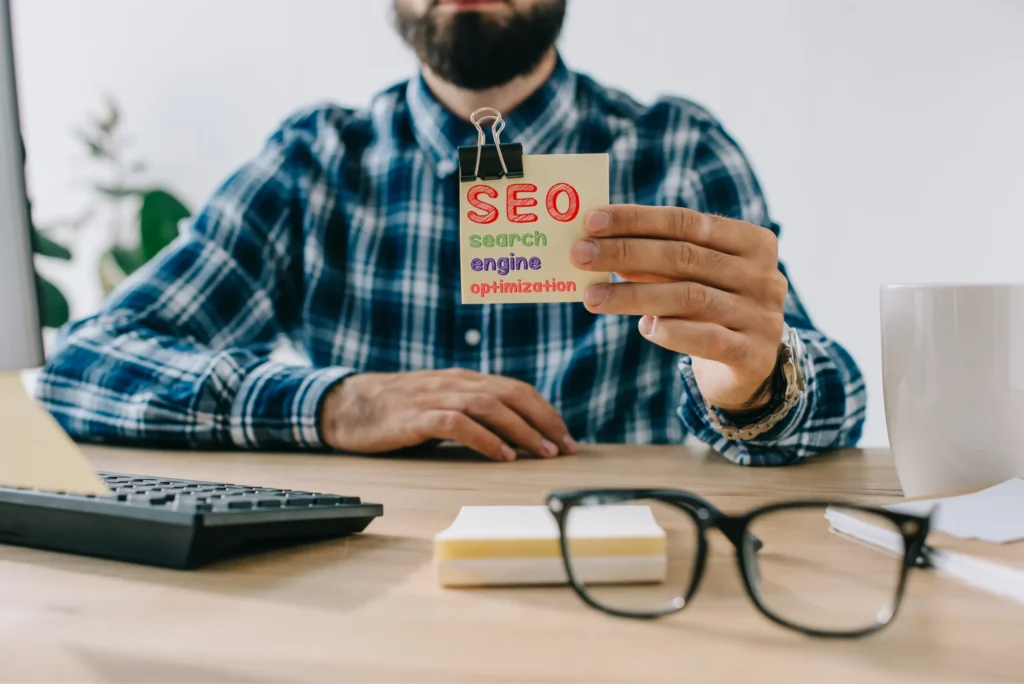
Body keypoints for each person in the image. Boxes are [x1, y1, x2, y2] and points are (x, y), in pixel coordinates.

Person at [36, 0, 866, 466]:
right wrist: (335, 400)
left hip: (619, 573)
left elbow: (838, 404)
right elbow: (79, 365)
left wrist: (751, 387)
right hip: (361, 577)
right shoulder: (314, 161)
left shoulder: (676, 150)